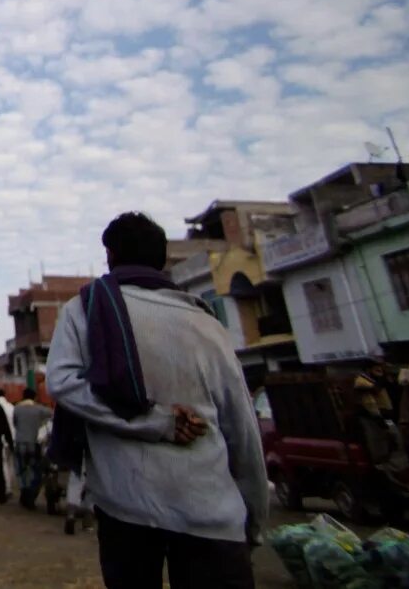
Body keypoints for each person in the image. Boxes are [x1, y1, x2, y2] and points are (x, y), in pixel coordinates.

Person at [46, 212, 268, 589]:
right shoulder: (206, 323)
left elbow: (63, 383)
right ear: (162, 260)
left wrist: (153, 421)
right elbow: (241, 427)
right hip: (212, 510)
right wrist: (255, 516)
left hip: (126, 506)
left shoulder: (84, 309)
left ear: (110, 256)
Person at [12, 389, 52, 509]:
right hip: (33, 443)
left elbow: (15, 423)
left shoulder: (17, 408)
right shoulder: (39, 409)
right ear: (34, 398)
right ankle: (31, 493)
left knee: (21, 469)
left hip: (19, 442)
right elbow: (52, 414)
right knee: (36, 471)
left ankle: (24, 490)